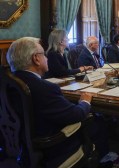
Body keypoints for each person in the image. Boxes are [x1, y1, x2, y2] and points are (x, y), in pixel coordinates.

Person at [6, 37, 112, 167]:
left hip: (17, 150)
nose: (47, 58)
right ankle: (103, 160)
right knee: (98, 121)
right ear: (36, 59)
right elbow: (76, 115)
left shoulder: (8, 84)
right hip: (51, 151)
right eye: (44, 54)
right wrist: (85, 102)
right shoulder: (45, 88)